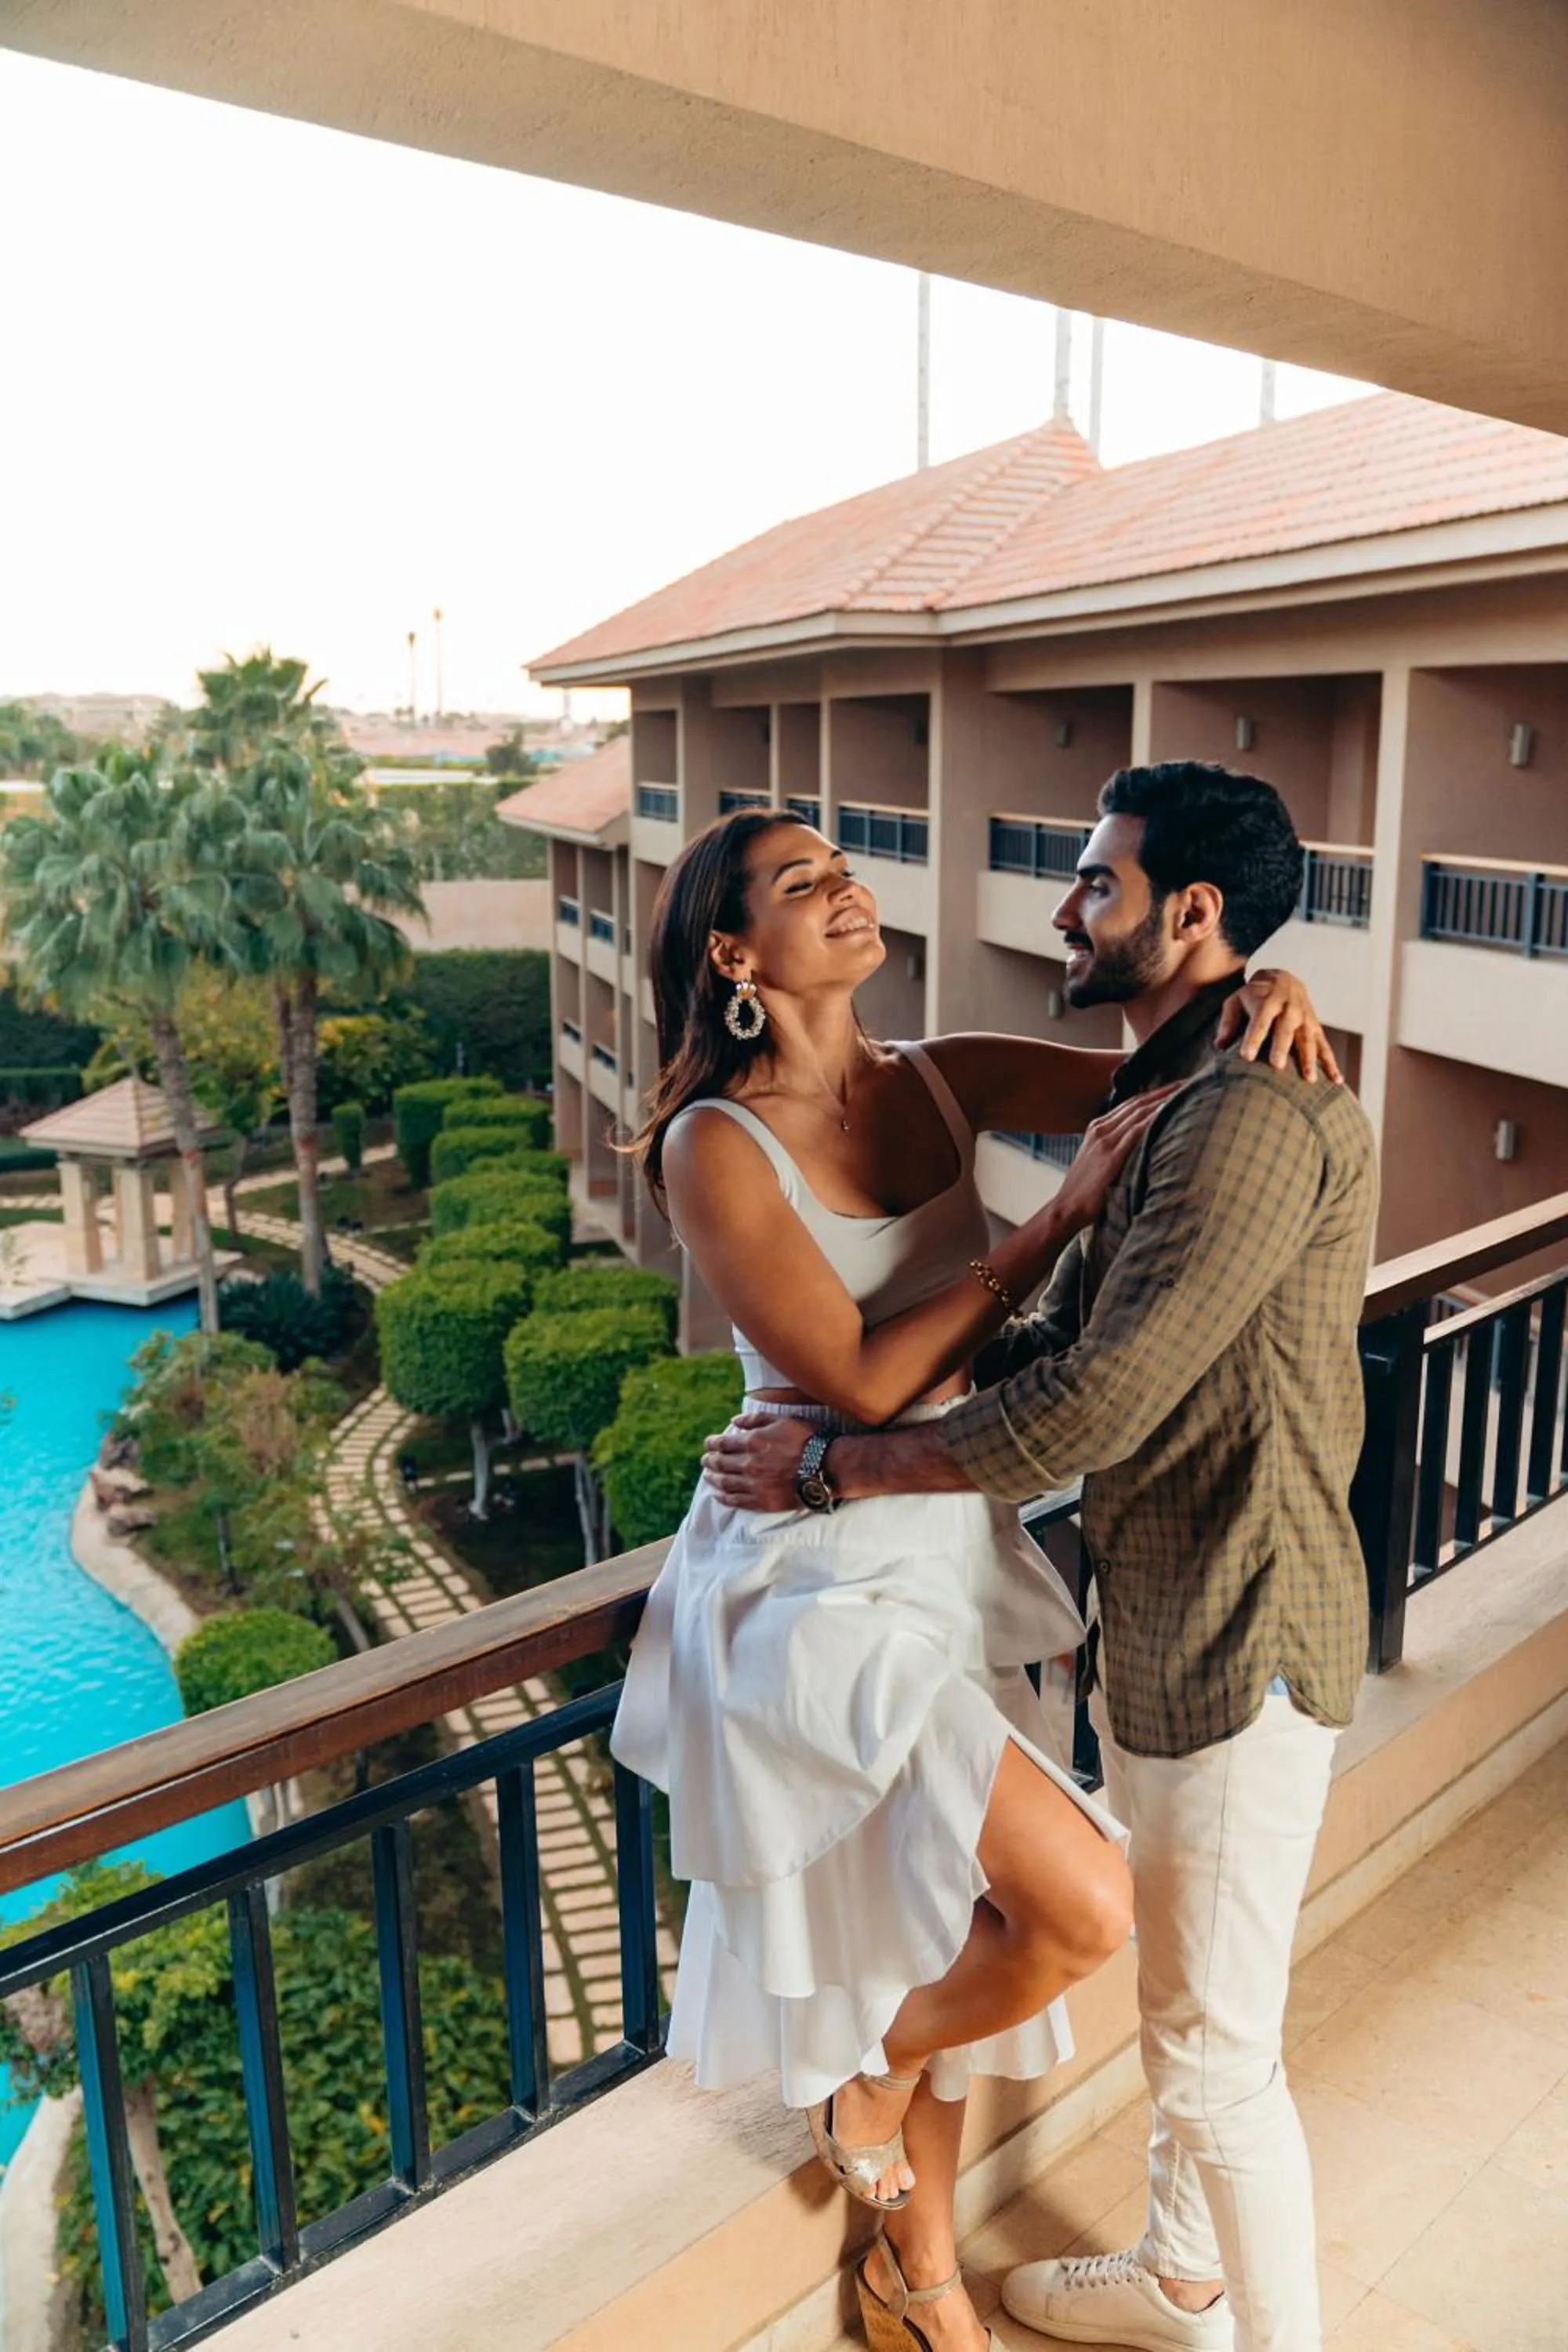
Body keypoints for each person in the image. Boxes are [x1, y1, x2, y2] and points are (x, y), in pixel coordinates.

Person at [705, 764, 1377, 2352]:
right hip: (1087, 1599)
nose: (1063, 906)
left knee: (1210, 2052)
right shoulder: (726, 1140)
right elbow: (1090, 1221)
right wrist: (1241, 994)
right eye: (798, 882)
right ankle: (1170, 2276)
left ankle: (1232, 2316)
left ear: (1187, 909)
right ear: (731, 959)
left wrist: (828, 1464)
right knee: (1172, 2006)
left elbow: (1094, 1390)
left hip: (1219, 1612)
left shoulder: (1227, 1118)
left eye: (1095, 881)